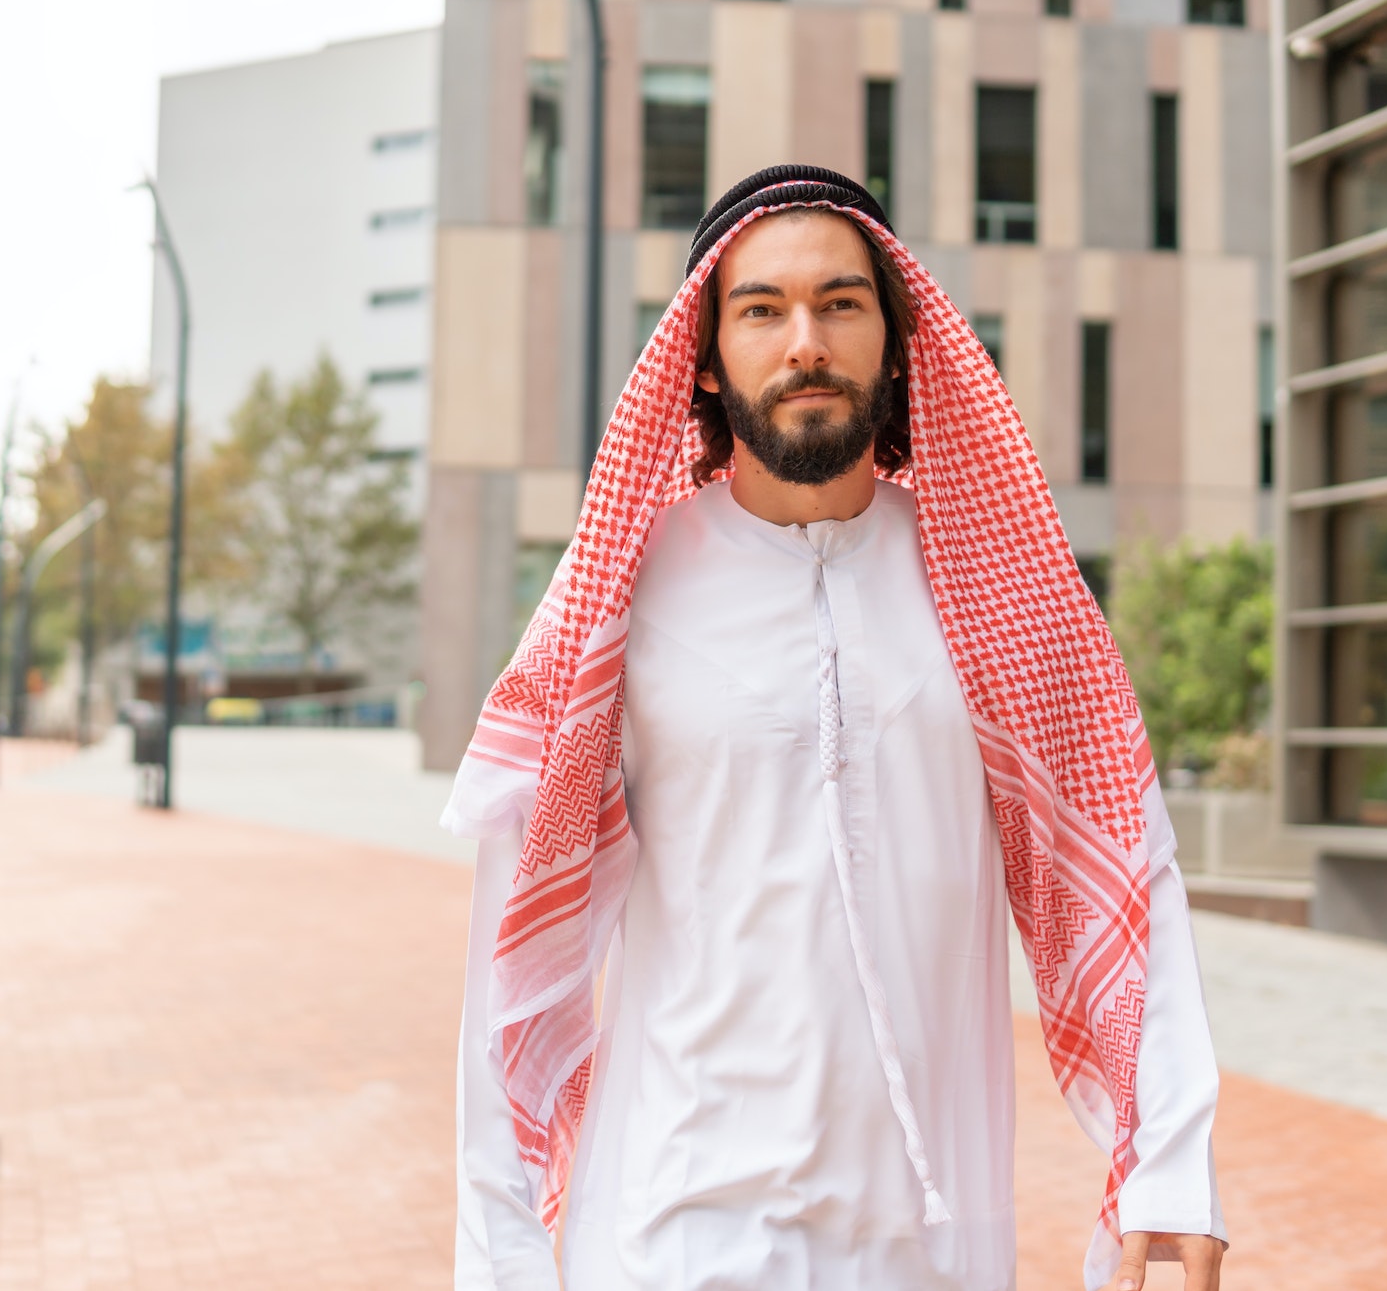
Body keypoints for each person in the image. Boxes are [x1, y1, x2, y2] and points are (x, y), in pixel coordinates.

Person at [444, 166, 1228, 1291]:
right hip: (676, 1228)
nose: (802, 339)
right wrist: (500, 1257)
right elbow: (514, 953)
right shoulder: (623, 592)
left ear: (896, 341)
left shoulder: (995, 585)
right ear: (704, 358)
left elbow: (1125, 868)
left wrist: (1170, 1160)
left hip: (931, 1239)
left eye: (839, 303)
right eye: (759, 309)